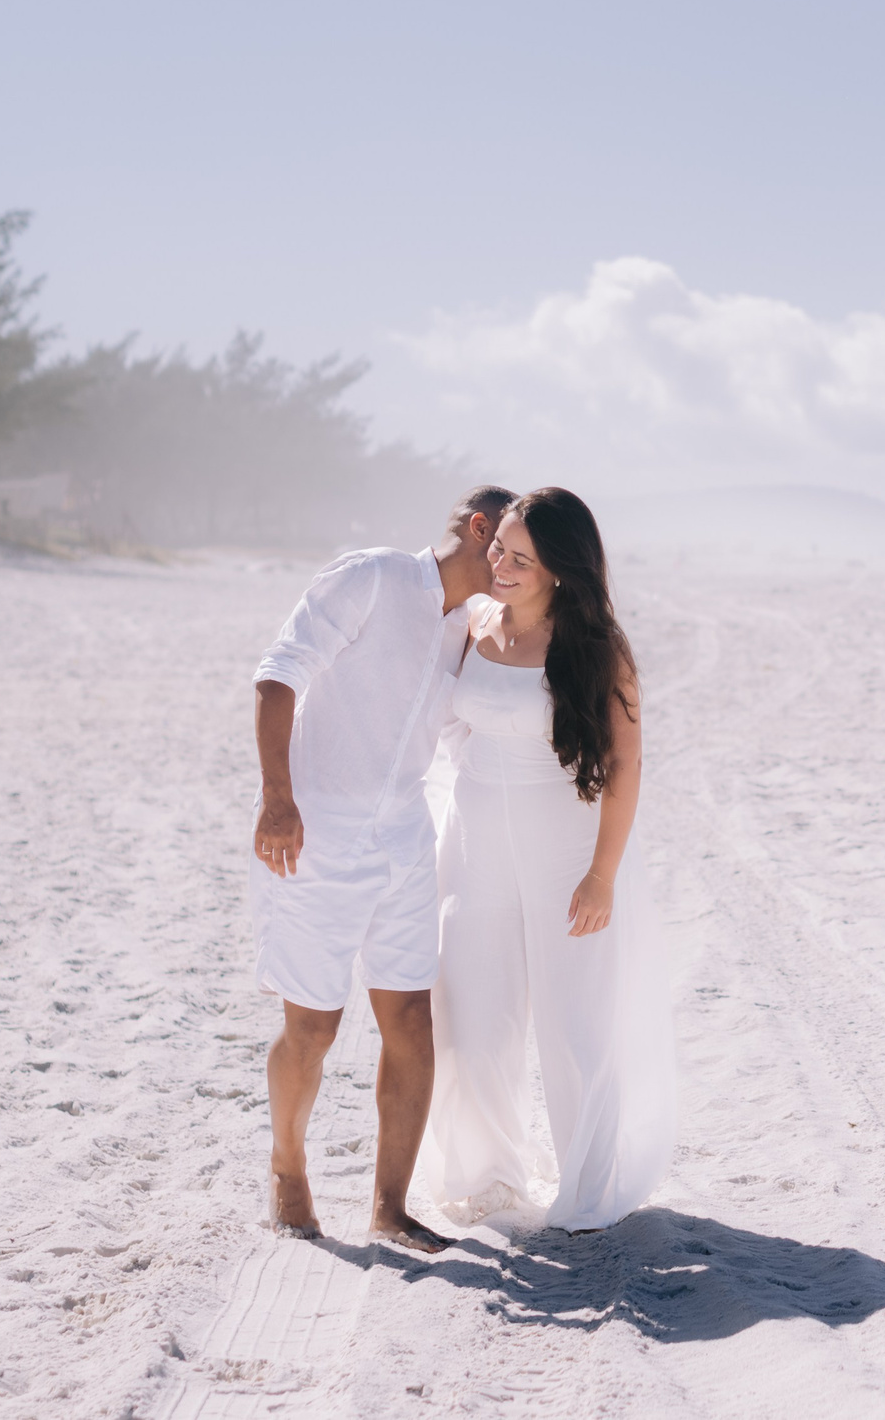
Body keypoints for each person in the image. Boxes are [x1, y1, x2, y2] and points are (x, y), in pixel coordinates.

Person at [250, 484, 516, 1247]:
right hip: (316, 837)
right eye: (508, 546)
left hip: (405, 839)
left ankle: (388, 1208)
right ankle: (288, 1167)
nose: (513, 565)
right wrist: (277, 800)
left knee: (410, 1021)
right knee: (312, 1027)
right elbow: (278, 676)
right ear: (478, 528)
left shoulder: (467, 629)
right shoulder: (372, 576)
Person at [425, 487, 674, 1232]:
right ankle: (488, 1176)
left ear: (560, 571)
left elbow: (626, 766)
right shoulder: (470, 624)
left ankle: (588, 1187)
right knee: (472, 1016)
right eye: (498, 547)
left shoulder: (597, 648)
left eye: (520, 559)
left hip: (567, 852)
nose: (498, 565)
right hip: (471, 845)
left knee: (575, 1025)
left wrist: (602, 872)